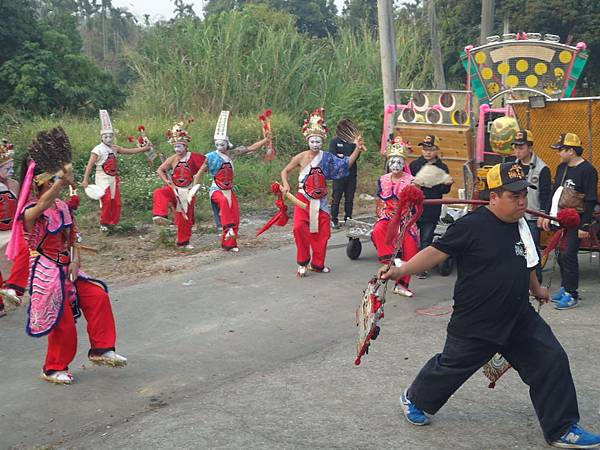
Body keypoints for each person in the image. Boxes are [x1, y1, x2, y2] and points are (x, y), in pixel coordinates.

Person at [379, 162, 600, 449]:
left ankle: (561, 428)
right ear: (493, 197)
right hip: (476, 321)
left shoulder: (521, 226)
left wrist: (537, 289)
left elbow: (526, 263)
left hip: (520, 317)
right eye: (513, 196)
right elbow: (435, 253)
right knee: (450, 368)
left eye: (523, 195)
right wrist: (401, 269)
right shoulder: (471, 226)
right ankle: (414, 398)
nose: (522, 202)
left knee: (551, 360)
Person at [14, 128, 126, 385]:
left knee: (98, 295)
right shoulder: (31, 211)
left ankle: (101, 349)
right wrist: (63, 181)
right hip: (46, 270)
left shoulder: (63, 207)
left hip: (68, 266)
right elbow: (42, 205)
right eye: (52, 182)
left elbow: (74, 237)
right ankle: (53, 368)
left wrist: (76, 259)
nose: (58, 187)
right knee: (61, 319)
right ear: (41, 183)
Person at [280, 108, 363, 277]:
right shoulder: (300, 157)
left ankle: (318, 264)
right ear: (308, 141)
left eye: (318, 141)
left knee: (322, 233)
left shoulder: (327, 157)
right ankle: (302, 262)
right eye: (313, 141)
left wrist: (357, 149)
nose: (316, 144)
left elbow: (344, 164)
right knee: (298, 229)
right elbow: (285, 171)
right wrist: (286, 185)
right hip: (303, 199)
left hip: (321, 201)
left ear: (322, 141)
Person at [541, 133, 598, 310]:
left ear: (571, 151)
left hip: (577, 220)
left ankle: (572, 294)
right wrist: (546, 215)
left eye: (561, 150)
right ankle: (565, 287)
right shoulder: (561, 168)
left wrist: (585, 225)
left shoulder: (588, 170)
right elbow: (554, 191)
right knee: (559, 254)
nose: (558, 153)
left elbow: (590, 199)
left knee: (569, 255)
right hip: (560, 218)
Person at [199, 111, 270, 252]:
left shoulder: (232, 154)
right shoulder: (210, 157)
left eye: (222, 144)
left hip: (229, 190)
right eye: (217, 144)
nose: (220, 147)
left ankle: (229, 244)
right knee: (224, 204)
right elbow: (199, 170)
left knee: (235, 216)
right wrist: (194, 187)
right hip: (216, 189)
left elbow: (250, 148)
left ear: (227, 144)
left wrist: (266, 140)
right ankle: (226, 228)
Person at [82, 110, 152, 231]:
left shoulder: (115, 148)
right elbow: (90, 165)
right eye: (106, 136)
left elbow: (128, 151)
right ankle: (104, 223)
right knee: (107, 199)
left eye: (110, 136)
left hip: (113, 178)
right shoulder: (97, 149)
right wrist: (85, 180)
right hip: (102, 177)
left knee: (116, 201)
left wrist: (143, 149)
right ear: (101, 137)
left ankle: (113, 222)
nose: (108, 139)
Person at [372, 136, 419, 297]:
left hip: (405, 219)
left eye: (399, 162)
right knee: (378, 230)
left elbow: (417, 201)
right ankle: (390, 262)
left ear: (404, 164)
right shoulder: (383, 180)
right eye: (392, 162)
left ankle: (402, 284)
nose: (395, 165)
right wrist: (379, 214)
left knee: (411, 248)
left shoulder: (411, 180)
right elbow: (380, 201)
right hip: (388, 216)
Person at [153, 121, 206, 250]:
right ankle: (160, 215)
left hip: (188, 191)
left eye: (180, 147)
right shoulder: (172, 159)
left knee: (184, 217)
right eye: (175, 147)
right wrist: (167, 181)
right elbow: (160, 170)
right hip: (174, 189)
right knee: (160, 192)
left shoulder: (194, 157)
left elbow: (207, 164)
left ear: (186, 146)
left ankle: (183, 242)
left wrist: (197, 181)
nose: (177, 150)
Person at [409, 134, 453, 279]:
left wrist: (442, 184)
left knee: (426, 239)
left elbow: (445, 190)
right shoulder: (414, 165)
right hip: (414, 208)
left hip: (432, 208)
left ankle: (422, 267)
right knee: (411, 237)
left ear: (437, 150)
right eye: (425, 148)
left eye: (431, 149)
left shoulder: (442, 167)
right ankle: (409, 263)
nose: (428, 152)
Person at [512, 129, 551, 283]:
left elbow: (545, 193)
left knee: (532, 249)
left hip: (533, 216)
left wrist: (542, 214)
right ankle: (520, 278)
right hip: (515, 214)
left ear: (530, 148)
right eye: (515, 147)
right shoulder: (512, 167)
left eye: (521, 147)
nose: (518, 151)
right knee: (517, 249)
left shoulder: (542, 168)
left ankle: (536, 281)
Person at [0, 139, 29, 316]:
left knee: (26, 250)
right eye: (6, 168)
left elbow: (23, 207)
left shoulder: (14, 185)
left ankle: (14, 289)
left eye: (11, 167)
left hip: (13, 231)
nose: (9, 171)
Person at [329, 119, 359, 229]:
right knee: (336, 197)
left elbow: (355, 157)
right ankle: (334, 219)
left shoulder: (353, 143)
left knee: (349, 198)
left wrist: (345, 156)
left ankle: (348, 218)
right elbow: (334, 157)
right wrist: (346, 157)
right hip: (338, 175)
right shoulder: (334, 142)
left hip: (351, 175)